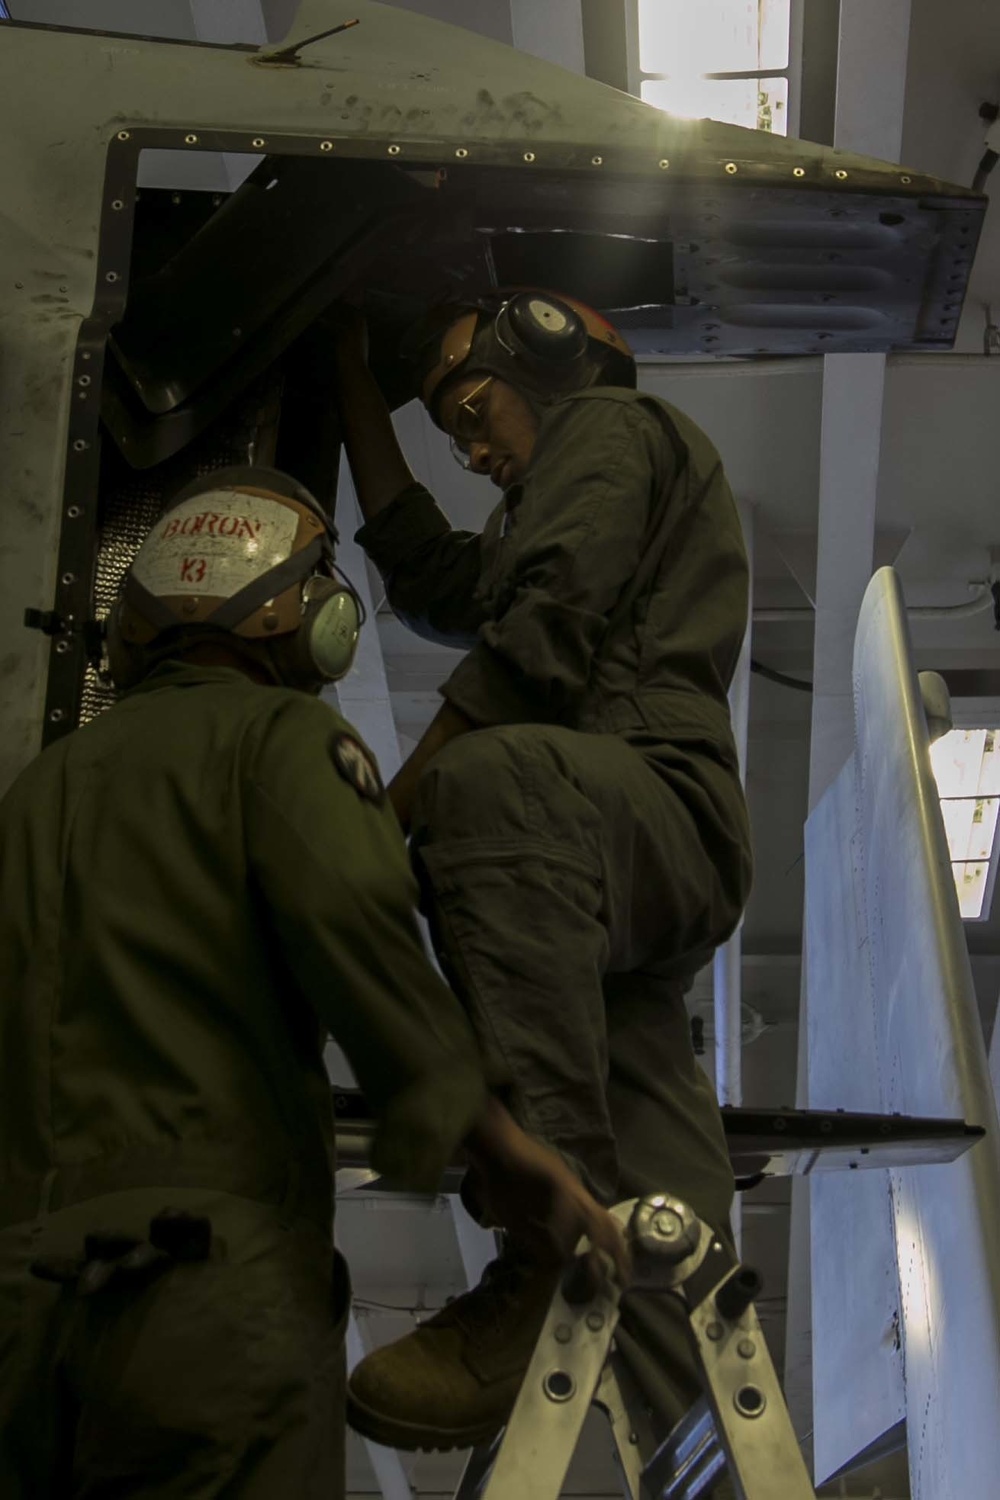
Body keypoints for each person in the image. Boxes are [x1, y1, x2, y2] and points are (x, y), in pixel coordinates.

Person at [0, 465, 625, 1500]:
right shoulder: (285, 738)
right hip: (200, 1286)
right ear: (313, 621)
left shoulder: (37, 789)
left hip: (21, 1305)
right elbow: (358, 931)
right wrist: (495, 1145)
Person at [333, 292, 753, 1459]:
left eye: (473, 412)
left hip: (634, 810)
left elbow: (536, 644)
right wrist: (351, 389)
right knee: (660, 1227)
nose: (471, 452)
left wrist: (381, 826)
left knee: (484, 784)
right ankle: (709, 1445)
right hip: (603, 879)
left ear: (549, 357)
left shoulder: (616, 436)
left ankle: (541, 1251)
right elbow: (427, 574)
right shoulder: (546, 502)